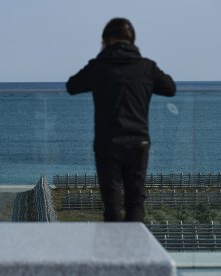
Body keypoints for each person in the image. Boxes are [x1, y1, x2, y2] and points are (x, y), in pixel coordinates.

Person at [66, 18, 176, 222]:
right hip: (138, 142)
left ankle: (114, 251)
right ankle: (135, 250)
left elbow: (72, 86)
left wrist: (100, 60)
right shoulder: (146, 67)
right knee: (135, 201)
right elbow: (170, 88)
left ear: (108, 40)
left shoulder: (99, 67)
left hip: (108, 143)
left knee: (112, 201)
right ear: (133, 40)